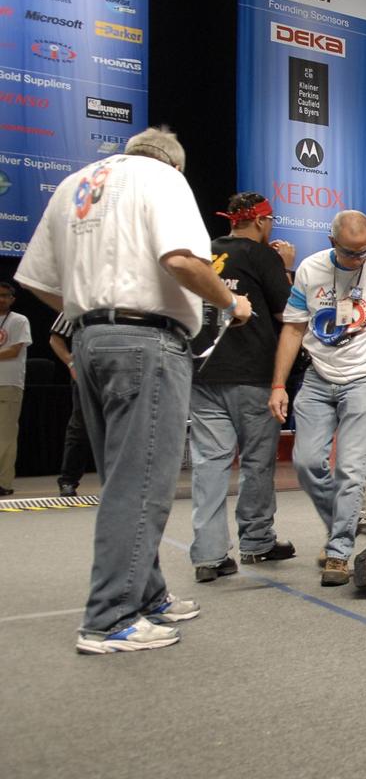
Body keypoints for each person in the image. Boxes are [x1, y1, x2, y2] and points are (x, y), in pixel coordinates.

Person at [17, 126, 252, 653]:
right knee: (142, 482)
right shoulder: (163, 179)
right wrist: (230, 304)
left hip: (89, 340)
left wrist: (91, 307)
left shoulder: (74, 185)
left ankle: (148, 596)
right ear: (175, 163)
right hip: (147, 342)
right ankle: (109, 617)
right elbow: (182, 260)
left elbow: (34, 279)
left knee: (124, 477)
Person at [268, 209, 366, 586]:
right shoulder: (309, 269)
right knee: (305, 463)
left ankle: (339, 551)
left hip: (365, 382)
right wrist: (278, 385)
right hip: (318, 379)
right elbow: (292, 329)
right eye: (350, 252)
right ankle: (343, 523)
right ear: (331, 243)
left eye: (364, 249)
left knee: (350, 471)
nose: (358, 258)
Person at [187, 192, 297, 584]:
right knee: (256, 463)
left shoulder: (203, 252)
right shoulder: (262, 255)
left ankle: (209, 555)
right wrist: (285, 267)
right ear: (262, 222)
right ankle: (256, 541)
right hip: (252, 374)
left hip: (203, 372)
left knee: (208, 465)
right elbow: (288, 312)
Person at [48, 312, 93, 496]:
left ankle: (126, 480)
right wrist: (71, 363)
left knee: (126, 427)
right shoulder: (77, 301)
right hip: (85, 373)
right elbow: (55, 338)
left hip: (124, 371)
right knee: (80, 426)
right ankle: (68, 480)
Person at [0, 281, 31, 497]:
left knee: (6, 435)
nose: (1, 299)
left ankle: (4, 482)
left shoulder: (19, 320)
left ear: (12, 299)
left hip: (9, 383)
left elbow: (14, 350)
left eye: (4, 295)